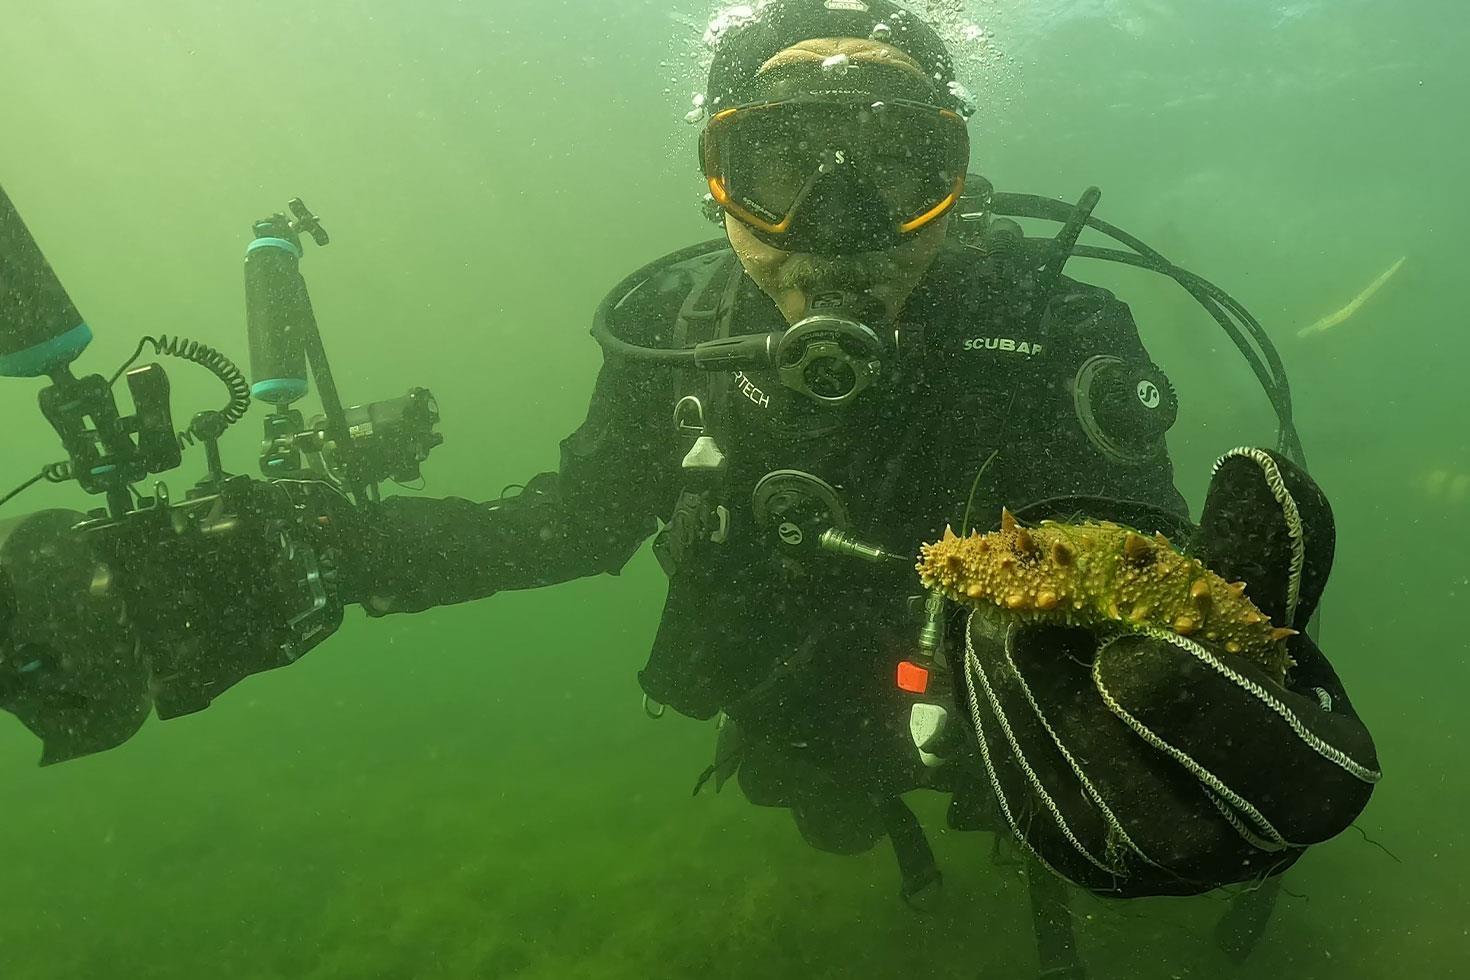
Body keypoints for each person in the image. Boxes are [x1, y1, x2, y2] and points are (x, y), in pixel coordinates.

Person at [0, 1, 1379, 975]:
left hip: (991, 740)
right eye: (776, 168)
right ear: (715, 182)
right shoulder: (668, 335)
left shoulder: (1057, 332)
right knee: (829, 810)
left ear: (958, 188)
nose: (834, 232)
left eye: (901, 171)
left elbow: (1111, 524)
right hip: (800, 729)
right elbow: (566, 521)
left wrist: (1144, 659)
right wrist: (321, 548)